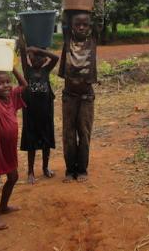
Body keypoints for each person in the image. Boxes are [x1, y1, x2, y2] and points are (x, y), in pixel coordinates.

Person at [0, 60, 28, 230]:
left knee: (13, 177)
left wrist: (13, 67)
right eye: (0, 84)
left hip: (9, 149)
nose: (6, 86)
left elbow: (24, 84)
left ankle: (3, 206)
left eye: (7, 82)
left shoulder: (12, 98)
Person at [58, 10, 98, 183]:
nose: (81, 27)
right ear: (71, 26)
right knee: (68, 134)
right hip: (69, 96)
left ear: (90, 27)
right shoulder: (68, 39)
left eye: (85, 24)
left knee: (84, 133)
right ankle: (69, 170)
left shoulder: (93, 40)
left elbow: (100, 16)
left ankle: (82, 169)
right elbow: (65, 13)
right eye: (77, 24)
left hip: (86, 97)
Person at [18, 29, 58, 184]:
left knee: (46, 141)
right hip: (30, 113)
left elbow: (56, 57)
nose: (37, 57)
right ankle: (30, 171)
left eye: (41, 55)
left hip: (46, 112)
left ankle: (45, 167)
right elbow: (22, 50)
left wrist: (38, 50)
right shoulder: (27, 71)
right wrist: (21, 33)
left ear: (45, 59)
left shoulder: (46, 70)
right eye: (33, 55)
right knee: (31, 143)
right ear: (28, 57)